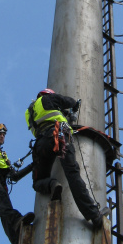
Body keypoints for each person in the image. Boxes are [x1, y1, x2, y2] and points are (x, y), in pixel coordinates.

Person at [25, 89, 109, 228]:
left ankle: (52, 184)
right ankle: (94, 215)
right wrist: (73, 108)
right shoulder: (49, 99)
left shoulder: (29, 112)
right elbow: (69, 102)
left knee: (37, 181)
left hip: (41, 144)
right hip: (59, 136)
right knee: (72, 173)